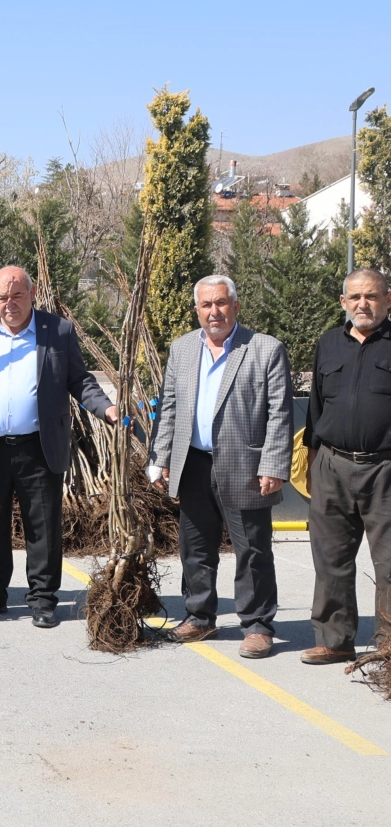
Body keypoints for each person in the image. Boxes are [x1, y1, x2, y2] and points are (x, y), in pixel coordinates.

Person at [0, 265, 117, 628]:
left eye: (17, 295)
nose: (9, 303)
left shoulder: (57, 331)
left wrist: (106, 407)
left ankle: (42, 599)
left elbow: (80, 380)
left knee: (42, 526)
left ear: (33, 292)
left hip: (39, 446)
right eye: (2, 297)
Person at [149, 275, 292, 658]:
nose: (215, 311)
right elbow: (171, 409)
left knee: (253, 551)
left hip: (246, 466)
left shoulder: (265, 349)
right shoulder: (181, 349)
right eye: (207, 305)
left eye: (222, 303)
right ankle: (199, 616)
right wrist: (162, 457)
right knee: (194, 547)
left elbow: (280, 413)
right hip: (193, 463)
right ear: (197, 310)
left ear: (236, 306)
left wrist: (274, 464)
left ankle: (258, 625)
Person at [300, 268, 391, 665]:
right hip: (332, 466)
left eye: (371, 296)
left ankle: (388, 644)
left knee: (389, 563)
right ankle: (334, 640)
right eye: (354, 297)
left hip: (385, 470)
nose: (362, 304)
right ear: (343, 302)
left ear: (388, 300)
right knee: (331, 558)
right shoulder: (328, 344)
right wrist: (313, 463)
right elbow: (316, 407)